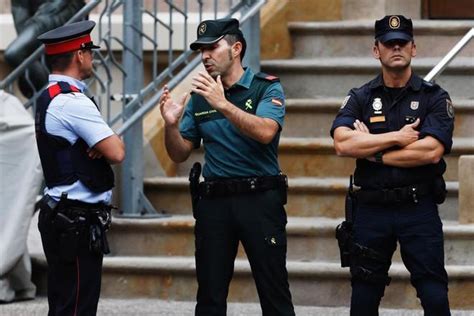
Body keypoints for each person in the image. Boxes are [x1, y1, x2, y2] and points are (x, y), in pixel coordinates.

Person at [159, 18, 295, 316]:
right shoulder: (199, 99)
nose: (205, 56)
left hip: (259, 199)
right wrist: (170, 127)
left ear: (236, 48)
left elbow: (265, 132)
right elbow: (180, 153)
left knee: (274, 291)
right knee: (209, 295)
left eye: (212, 47)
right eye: (201, 50)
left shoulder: (265, 88)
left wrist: (222, 104)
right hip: (214, 204)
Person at [331, 15, 454, 316]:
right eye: (389, 43)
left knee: (435, 297)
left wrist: (373, 150)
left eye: (402, 43)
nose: (396, 48)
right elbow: (343, 143)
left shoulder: (434, 97)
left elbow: (430, 152)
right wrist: (398, 137)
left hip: (418, 208)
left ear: (414, 48)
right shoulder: (360, 97)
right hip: (372, 210)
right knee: (363, 299)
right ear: (377, 50)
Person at [35, 20, 125, 315]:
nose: (93, 58)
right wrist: (103, 145)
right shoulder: (72, 101)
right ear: (79, 55)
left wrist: (100, 145)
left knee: (66, 305)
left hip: (64, 216)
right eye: (90, 51)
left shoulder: (50, 95)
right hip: (75, 220)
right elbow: (117, 151)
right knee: (76, 308)